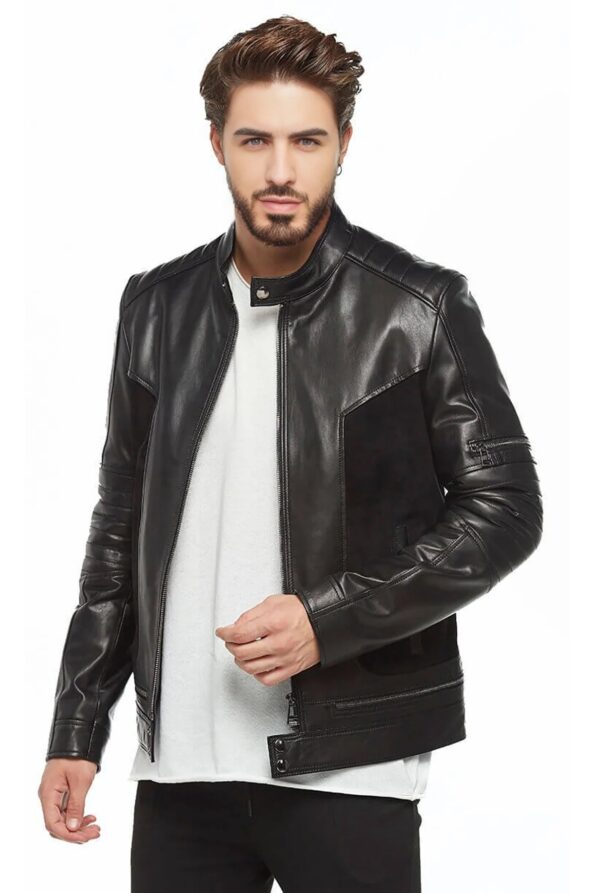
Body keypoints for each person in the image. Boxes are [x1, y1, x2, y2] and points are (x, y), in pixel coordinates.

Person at [38, 14, 543, 892]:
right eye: (254, 140)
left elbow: (505, 509)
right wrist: (77, 726)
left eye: (306, 140)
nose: (280, 170)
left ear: (344, 142)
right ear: (216, 144)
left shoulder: (416, 307)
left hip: (348, 768)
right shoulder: (155, 308)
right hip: (181, 772)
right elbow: (119, 527)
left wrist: (330, 618)